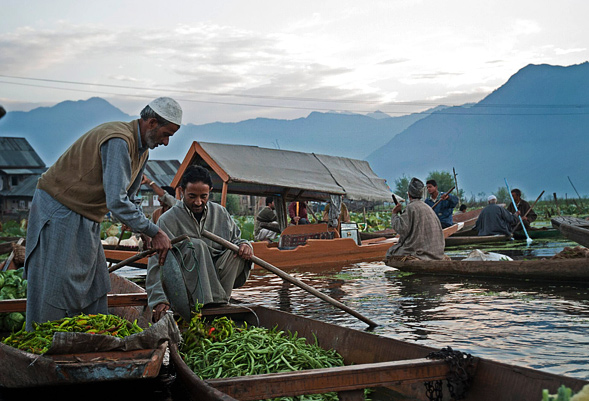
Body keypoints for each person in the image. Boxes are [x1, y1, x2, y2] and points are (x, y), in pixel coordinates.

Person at [24, 97, 182, 331]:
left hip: (87, 215)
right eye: (166, 134)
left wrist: (144, 231)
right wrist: (155, 231)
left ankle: (91, 337)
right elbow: (116, 202)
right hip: (59, 208)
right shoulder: (119, 140)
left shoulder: (142, 151)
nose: (167, 142)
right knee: (56, 285)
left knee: (95, 283)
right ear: (151, 123)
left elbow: (130, 198)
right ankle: (46, 342)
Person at [146, 165, 253, 321]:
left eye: (203, 196)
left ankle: (220, 303)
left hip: (219, 280)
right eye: (192, 196)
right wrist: (158, 299)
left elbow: (237, 239)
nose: (198, 202)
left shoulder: (220, 213)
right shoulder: (167, 220)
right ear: (182, 191)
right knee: (195, 245)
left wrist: (246, 246)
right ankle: (202, 305)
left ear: (210, 191)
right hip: (185, 288)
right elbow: (157, 261)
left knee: (236, 251)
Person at [385, 177, 446, 262]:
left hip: (420, 252)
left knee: (390, 252)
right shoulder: (427, 207)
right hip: (437, 253)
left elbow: (401, 228)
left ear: (409, 194)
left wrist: (394, 213)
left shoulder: (411, 207)